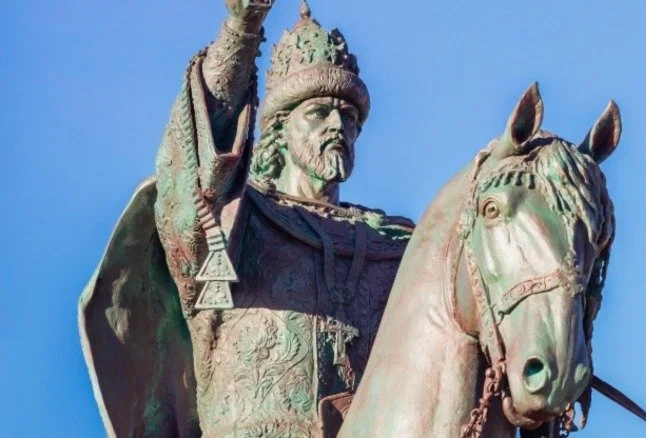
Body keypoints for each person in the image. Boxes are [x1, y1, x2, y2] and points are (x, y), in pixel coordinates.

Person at [78, 1, 413, 436]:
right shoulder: (236, 220)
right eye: (318, 112)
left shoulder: (394, 243)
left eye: (349, 117)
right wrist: (242, 27)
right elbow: (200, 161)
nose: (338, 125)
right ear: (278, 131)